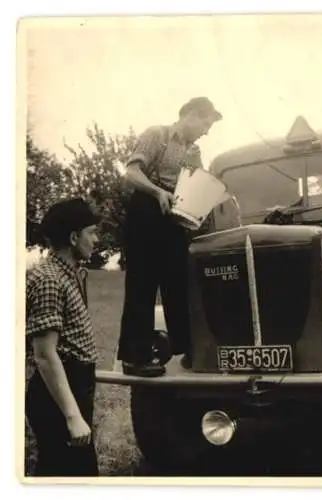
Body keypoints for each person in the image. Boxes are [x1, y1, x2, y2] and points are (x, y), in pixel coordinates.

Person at [117, 97, 222, 377]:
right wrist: (156, 192)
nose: (206, 131)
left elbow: (198, 184)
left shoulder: (194, 151)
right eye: (205, 123)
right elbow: (131, 171)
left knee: (180, 283)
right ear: (189, 115)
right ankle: (135, 358)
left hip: (175, 217)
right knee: (143, 285)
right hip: (147, 211)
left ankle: (188, 350)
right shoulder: (157, 135)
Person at [25, 198, 101, 476]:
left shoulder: (72, 274)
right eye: (91, 232)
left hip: (74, 386)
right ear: (73, 237)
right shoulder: (49, 280)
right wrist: (73, 416)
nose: (96, 239)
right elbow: (45, 355)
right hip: (55, 394)